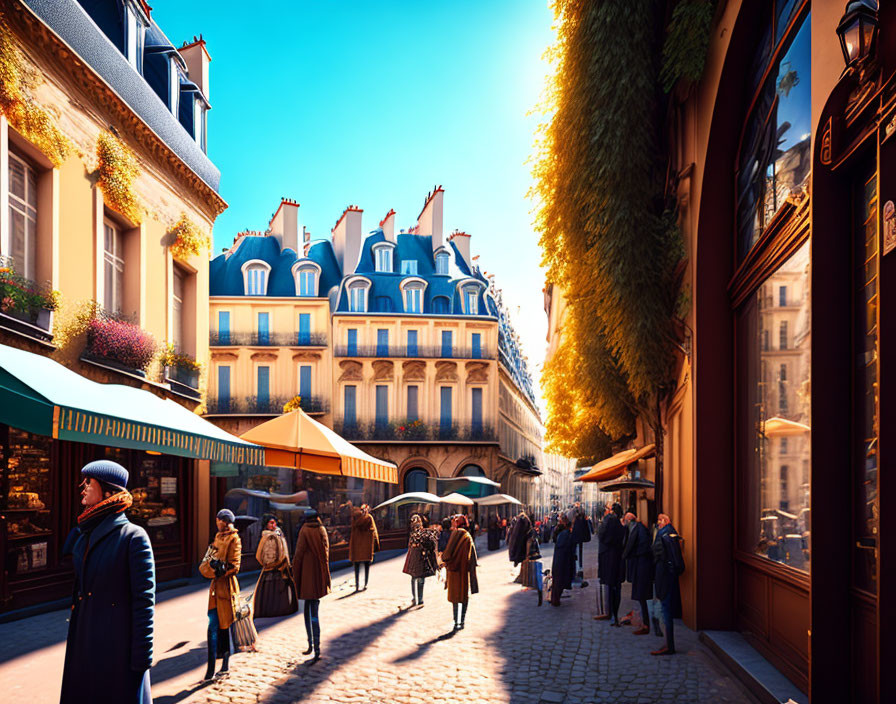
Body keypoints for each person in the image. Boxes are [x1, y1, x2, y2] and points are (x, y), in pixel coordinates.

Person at [60, 460, 154, 704]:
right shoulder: (85, 532)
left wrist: (141, 659)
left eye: (88, 482)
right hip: (84, 643)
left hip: (116, 649)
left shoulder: (133, 536)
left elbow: (144, 601)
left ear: (108, 491)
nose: (82, 487)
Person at [199, 508, 242, 682]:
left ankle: (224, 666)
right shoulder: (216, 537)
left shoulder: (235, 539)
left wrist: (221, 568)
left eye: (219, 519)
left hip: (226, 589)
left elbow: (235, 566)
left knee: (224, 627)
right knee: (212, 628)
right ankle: (210, 668)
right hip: (215, 590)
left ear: (223, 521)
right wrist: (210, 567)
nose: (217, 521)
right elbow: (206, 560)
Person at [293, 509, 331, 662]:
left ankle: (311, 644)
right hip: (318, 574)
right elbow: (326, 551)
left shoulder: (304, 530)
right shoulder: (321, 530)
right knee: (315, 610)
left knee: (308, 612)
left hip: (307, 574)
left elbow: (299, 552)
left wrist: (294, 571)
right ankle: (317, 648)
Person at [253, 514, 298, 618]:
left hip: (282, 566)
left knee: (280, 588)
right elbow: (266, 554)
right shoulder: (268, 536)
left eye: (274, 522)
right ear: (266, 524)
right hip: (274, 567)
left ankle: (281, 610)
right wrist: (275, 563)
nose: (274, 524)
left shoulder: (278, 533)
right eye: (271, 522)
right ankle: (273, 611)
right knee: (272, 589)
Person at [651, 513, 685, 655]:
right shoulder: (671, 533)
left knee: (666, 610)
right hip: (669, 576)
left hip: (665, 577)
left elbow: (660, 557)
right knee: (666, 608)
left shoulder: (663, 535)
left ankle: (669, 645)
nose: (658, 524)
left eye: (659, 521)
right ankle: (668, 643)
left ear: (665, 521)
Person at [441, 514, 478, 630]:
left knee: (455, 598)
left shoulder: (454, 535)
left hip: (453, 572)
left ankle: (455, 621)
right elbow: (473, 558)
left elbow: (446, 555)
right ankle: (462, 621)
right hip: (463, 572)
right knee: (463, 597)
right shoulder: (468, 537)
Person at [621, 512, 653, 635]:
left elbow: (636, 546)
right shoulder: (637, 529)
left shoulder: (639, 529)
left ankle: (645, 624)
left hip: (642, 566)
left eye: (625, 521)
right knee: (640, 594)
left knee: (642, 595)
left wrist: (626, 555)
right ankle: (643, 621)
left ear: (629, 521)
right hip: (639, 565)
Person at [595, 501, 625, 625]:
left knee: (610, 585)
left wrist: (604, 520)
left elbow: (600, 534)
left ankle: (610, 613)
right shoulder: (619, 524)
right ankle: (614, 615)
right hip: (617, 558)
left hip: (608, 557)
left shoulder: (609, 520)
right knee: (616, 587)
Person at [402, 514, 440, 607]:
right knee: (420, 578)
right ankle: (420, 598)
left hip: (415, 555)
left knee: (415, 577)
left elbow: (410, 545)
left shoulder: (414, 534)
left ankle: (416, 598)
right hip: (421, 556)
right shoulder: (424, 533)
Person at [349, 503, 379, 591]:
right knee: (366, 567)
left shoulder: (355, 518)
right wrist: (377, 544)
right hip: (366, 547)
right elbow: (374, 532)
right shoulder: (369, 518)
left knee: (356, 567)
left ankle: (357, 585)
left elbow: (353, 532)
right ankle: (365, 584)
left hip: (357, 547)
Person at [549, 514, 575, 606]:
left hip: (559, 558)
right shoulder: (565, 534)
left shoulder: (561, 532)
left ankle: (555, 599)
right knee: (560, 579)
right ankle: (555, 599)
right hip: (563, 559)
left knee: (558, 579)